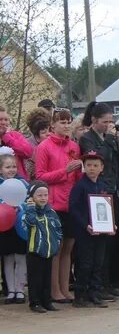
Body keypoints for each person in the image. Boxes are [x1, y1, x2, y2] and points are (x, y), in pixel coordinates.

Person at [78, 101, 119, 296]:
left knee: (112, 239)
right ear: (94, 120)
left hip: (113, 189)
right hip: (98, 191)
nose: (109, 124)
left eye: (111, 120)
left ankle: (108, 282)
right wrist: (109, 139)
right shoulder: (87, 139)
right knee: (101, 241)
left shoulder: (111, 137)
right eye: (105, 121)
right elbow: (101, 159)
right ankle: (97, 285)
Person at [34, 108, 81, 303]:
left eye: (68, 121)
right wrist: (64, 171)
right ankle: (54, 290)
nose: (66, 125)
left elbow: (77, 177)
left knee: (69, 246)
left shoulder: (74, 146)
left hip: (71, 203)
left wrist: (78, 171)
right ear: (52, 125)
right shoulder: (44, 147)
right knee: (57, 248)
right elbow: (40, 176)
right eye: (62, 122)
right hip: (54, 203)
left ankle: (64, 287)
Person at [68, 150, 115, 308]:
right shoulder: (80, 186)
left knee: (98, 263)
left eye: (95, 165)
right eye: (88, 165)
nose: (92, 168)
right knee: (85, 263)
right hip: (85, 232)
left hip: (101, 232)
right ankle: (80, 295)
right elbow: (73, 208)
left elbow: (107, 206)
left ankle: (95, 293)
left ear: (101, 168)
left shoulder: (102, 186)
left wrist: (111, 223)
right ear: (84, 167)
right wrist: (85, 225)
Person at [20, 181, 62, 313]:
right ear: (32, 197)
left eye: (45, 195)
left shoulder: (51, 212)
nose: (43, 198)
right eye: (39, 195)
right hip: (35, 251)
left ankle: (46, 301)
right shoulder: (29, 212)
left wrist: (57, 242)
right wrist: (31, 207)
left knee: (46, 278)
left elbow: (58, 228)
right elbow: (30, 223)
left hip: (48, 251)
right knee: (35, 278)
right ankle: (35, 302)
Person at [0, 149, 27, 304]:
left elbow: (28, 200)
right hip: (5, 227)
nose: (11, 170)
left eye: (13, 167)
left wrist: (19, 208)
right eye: (7, 167)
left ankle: (20, 289)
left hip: (19, 225)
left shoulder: (23, 183)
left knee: (21, 258)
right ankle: (11, 291)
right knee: (8, 258)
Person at [0, 106, 33, 181]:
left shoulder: (15, 135)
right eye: (0, 119)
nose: (4, 122)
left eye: (6, 120)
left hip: (17, 181)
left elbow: (28, 152)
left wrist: (7, 137)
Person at [24, 109, 51, 181]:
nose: (49, 134)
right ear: (36, 133)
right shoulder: (27, 146)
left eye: (50, 130)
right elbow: (27, 174)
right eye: (44, 132)